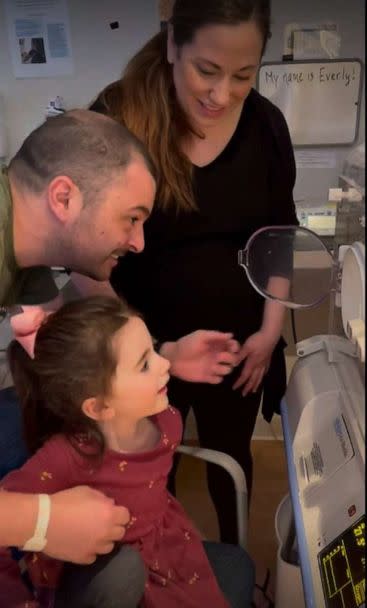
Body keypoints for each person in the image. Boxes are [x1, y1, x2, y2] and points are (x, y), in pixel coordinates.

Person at [0, 109, 240, 602]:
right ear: (64, 197)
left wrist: (164, 354)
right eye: (131, 218)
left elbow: (99, 345)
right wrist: (40, 522)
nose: (138, 241)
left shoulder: (30, 264)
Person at [90, 0, 298, 546]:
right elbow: (88, 259)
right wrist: (152, 352)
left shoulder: (265, 126)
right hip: (144, 345)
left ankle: (232, 559)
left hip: (240, 343)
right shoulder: (119, 118)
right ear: (171, 45)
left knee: (231, 459)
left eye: (243, 75)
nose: (222, 94)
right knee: (147, 468)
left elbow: (280, 237)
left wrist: (269, 332)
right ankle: (164, 573)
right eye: (206, 70)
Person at [0, 296, 255, 608]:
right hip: (101, 579)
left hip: (167, 556)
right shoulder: (65, 457)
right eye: (145, 363)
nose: (165, 364)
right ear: (100, 406)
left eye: (153, 350)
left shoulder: (167, 422)